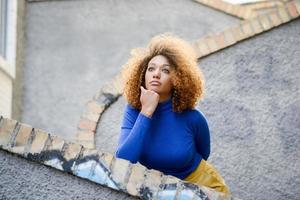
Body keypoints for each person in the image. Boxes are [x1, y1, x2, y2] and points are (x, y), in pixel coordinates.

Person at [115, 33, 230, 194]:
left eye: (165, 70)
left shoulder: (192, 117)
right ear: (142, 75)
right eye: (151, 68)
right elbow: (123, 160)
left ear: (177, 79)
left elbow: (204, 153)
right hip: (162, 191)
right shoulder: (134, 111)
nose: (156, 74)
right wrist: (146, 112)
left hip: (203, 186)